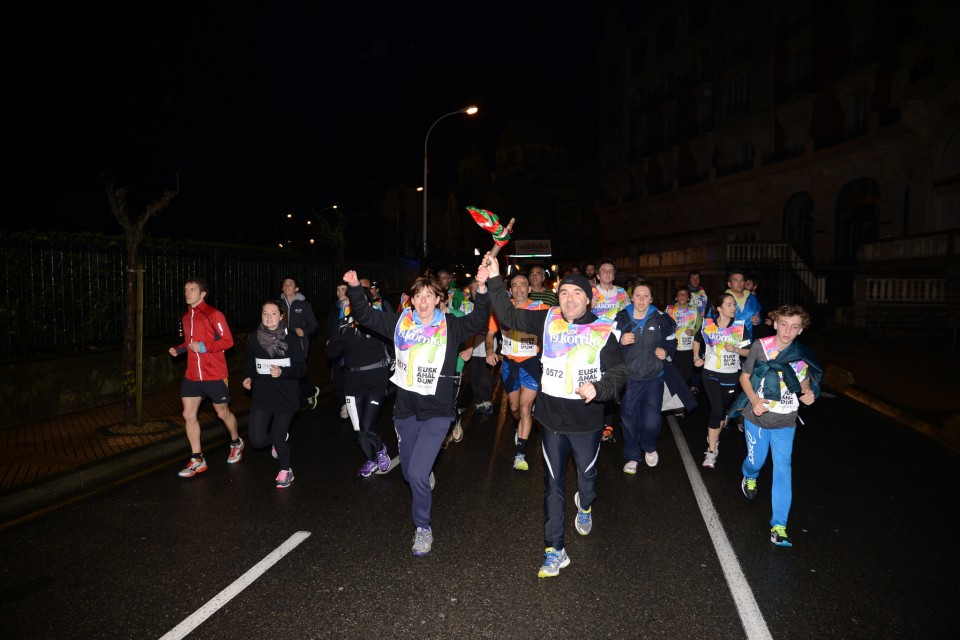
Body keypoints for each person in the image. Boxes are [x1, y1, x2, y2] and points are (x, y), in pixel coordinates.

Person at [484, 253, 626, 578]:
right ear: (557, 297)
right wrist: (494, 278)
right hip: (551, 420)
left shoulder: (603, 330)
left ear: (588, 299)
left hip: (587, 421)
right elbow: (508, 314)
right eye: (563, 292)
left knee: (587, 480)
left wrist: (599, 388)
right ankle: (555, 550)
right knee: (552, 485)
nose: (569, 298)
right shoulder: (547, 319)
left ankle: (585, 505)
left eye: (576, 293)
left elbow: (619, 371)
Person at [342, 262, 491, 557]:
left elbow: (479, 318)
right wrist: (356, 289)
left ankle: (423, 528)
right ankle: (422, 475)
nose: (423, 302)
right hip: (406, 411)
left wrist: (484, 290)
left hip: (437, 412)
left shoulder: (451, 326)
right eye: (417, 296)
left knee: (418, 475)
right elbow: (365, 316)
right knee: (410, 476)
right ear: (412, 299)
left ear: (438, 299)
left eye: (428, 296)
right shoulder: (400, 324)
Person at [728, 304, 823, 548]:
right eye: (784, 324)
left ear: (801, 330)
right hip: (758, 418)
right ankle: (749, 475)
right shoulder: (760, 347)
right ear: (776, 323)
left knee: (783, 468)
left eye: (794, 327)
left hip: (786, 421)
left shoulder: (800, 352)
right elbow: (744, 377)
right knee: (756, 462)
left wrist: (808, 391)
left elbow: (803, 378)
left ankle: (779, 526)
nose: (788, 331)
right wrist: (754, 400)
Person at [168, 277, 244, 478]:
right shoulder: (186, 316)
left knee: (222, 413)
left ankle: (236, 442)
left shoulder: (214, 314)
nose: (187, 292)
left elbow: (228, 341)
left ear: (202, 293)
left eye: (192, 289)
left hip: (214, 373)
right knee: (188, 414)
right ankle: (197, 458)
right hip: (192, 374)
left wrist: (204, 347)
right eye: (185, 289)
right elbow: (189, 343)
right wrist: (180, 349)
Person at [326, 277, 396, 477]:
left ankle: (380, 448)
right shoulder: (342, 325)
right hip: (352, 381)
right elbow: (332, 353)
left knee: (367, 426)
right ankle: (370, 459)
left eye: (360, 301)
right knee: (358, 429)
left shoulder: (378, 320)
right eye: (352, 302)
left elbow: (395, 340)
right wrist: (335, 345)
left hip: (376, 379)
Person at [613, 280, 678, 471]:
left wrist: (666, 352)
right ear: (631, 298)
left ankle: (649, 446)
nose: (641, 299)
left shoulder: (661, 319)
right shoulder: (620, 319)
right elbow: (607, 346)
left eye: (646, 296)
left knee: (652, 421)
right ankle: (632, 456)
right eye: (638, 295)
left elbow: (671, 341)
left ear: (651, 299)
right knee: (629, 420)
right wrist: (620, 341)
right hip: (629, 379)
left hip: (653, 378)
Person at [241, 300, 306, 488]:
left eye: (273, 313)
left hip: (286, 395)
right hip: (263, 394)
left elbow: (302, 369)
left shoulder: (291, 339)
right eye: (265, 313)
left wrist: (283, 372)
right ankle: (278, 440)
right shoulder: (254, 338)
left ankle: (286, 470)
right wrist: (248, 377)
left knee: (277, 435)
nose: (269, 317)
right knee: (256, 440)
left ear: (281, 316)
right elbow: (251, 363)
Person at [497, 272, 550, 470]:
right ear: (510, 290)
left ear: (529, 289)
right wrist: (489, 350)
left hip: (531, 363)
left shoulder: (541, 308)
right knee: (514, 408)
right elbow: (490, 332)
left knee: (526, 407)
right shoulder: (503, 309)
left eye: (522, 285)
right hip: (510, 364)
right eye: (514, 285)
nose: (519, 288)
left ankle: (520, 454)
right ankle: (519, 426)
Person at [693, 292, 750, 469]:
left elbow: (749, 351)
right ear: (719, 308)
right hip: (710, 372)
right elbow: (697, 340)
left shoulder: (739, 327)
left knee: (722, 409)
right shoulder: (708, 325)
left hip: (731, 374)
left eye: (734, 305)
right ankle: (711, 450)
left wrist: (736, 350)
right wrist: (696, 357)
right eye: (729, 305)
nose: (734, 308)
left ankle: (715, 435)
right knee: (717, 410)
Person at [591, 259, 629, 442]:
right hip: (595, 343)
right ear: (598, 275)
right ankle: (594, 424)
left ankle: (608, 426)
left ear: (614, 275)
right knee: (596, 380)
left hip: (617, 344)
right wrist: (591, 305)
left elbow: (630, 314)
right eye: (604, 270)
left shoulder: (622, 293)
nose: (607, 273)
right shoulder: (590, 292)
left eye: (610, 271)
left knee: (612, 380)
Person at [280, 276, 320, 409]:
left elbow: (314, 326)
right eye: (285, 284)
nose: (287, 286)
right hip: (282, 345)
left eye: (290, 283)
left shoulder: (304, 305)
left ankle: (302, 398)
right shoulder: (278, 305)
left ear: (296, 288)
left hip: (299, 344)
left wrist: (304, 331)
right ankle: (305, 394)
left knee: (298, 371)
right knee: (287, 372)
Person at [665, 286, 702, 393]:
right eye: (679, 293)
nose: (682, 296)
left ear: (688, 298)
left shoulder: (694, 310)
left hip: (688, 348)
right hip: (673, 349)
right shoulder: (669, 309)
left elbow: (700, 326)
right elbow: (663, 325)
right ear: (676, 297)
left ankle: (683, 396)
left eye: (685, 294)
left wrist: (693, 332)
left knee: (686, 375)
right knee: (674, 375)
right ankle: (677, 398)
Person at [327, 283, 351, 419]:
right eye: (338, 289)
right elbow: (330, 326)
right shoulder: (334, 308)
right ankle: (344, 402)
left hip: (351, 348)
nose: (340, 292)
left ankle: (351, 404)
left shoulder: (354, 307)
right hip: (338, 347)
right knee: (338, 379)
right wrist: (330, 340)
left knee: (350, 377)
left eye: (343, 289)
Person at [725, 269, 762, 340]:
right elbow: (711, 319)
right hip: (727, 340)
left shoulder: (752, 298)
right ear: (729, 284)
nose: (739, 283)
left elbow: (758, 315)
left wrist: (758, 320)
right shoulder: (722, 299)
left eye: (741, 280)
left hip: (747, 340)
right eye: (736, 280)